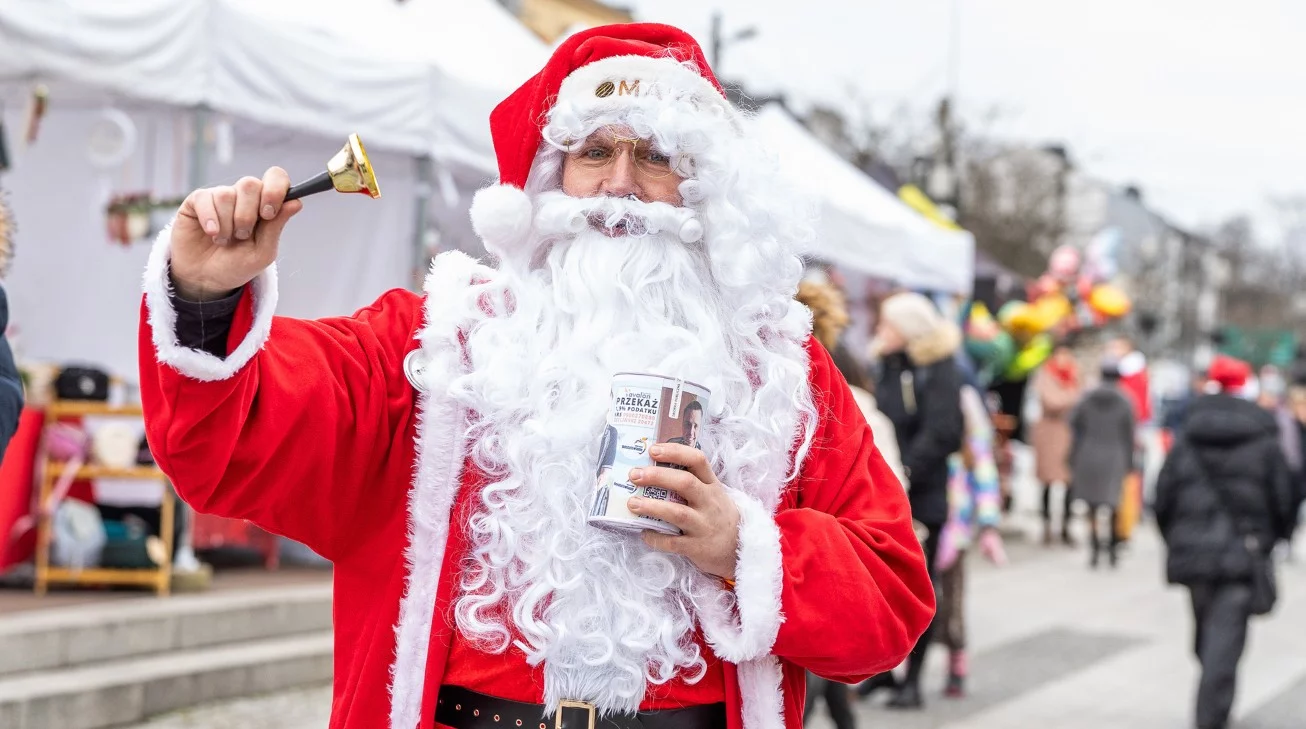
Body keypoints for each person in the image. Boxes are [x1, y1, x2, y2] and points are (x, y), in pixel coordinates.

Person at [138, 24, 934, 729]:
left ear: (701, 187)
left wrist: (742, 547)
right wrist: (207, 296)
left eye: (654, 155)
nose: (621, 184)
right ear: (552, 179)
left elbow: (891, 601)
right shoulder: (437, 342)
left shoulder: (783, 373)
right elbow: (242, 440)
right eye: (594, 152)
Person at [1154, 355, 1298, 729]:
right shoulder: (1264, 438)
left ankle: (1211, 705)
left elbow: (1163, 496)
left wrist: (1176, 537)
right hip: (1243, 552)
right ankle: (1211, 716)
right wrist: (1275, 538)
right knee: (1225, 639)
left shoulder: (1188, 436)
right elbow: (1284, 495)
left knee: (1207, 633)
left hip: (1194, 553)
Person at [864, 291, 964, 710]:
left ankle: (914, 680)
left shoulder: (939, 370)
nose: (880, 332)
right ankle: (884, 669)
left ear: (907, 330)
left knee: (920, 585)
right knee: (880, 583)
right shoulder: (887, 365)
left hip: (922, 495)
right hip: (889, 492)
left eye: (888, 325)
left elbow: (944, 432)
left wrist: (903, 473)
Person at [935, 384, 1006, 699]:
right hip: (926, 526)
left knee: (953, 604)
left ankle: (957, 666)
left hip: (957, 534)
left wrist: (988, 525)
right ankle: (910, 666)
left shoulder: (970, 438)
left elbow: (986, 477)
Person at [1069, 361, 1136, 568]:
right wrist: (1131, 461)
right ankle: (1113, 548)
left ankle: (1095, 546)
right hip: (1115, 454)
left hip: (1088, 453)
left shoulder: (1087, 397)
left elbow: (1073, 422)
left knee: (1091, 504)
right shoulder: (1125, 400)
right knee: (1114, 501)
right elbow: (1130, 433)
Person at [1030, 342, 1081, 546]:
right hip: (1049, 434)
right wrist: (1072, 396)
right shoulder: (1045, 374)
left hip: (1069, 433)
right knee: (1047, 481)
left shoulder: (1075, 374)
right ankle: (1046, 525)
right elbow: (1052, 402)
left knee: (1070, 481)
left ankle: (1066, 526)